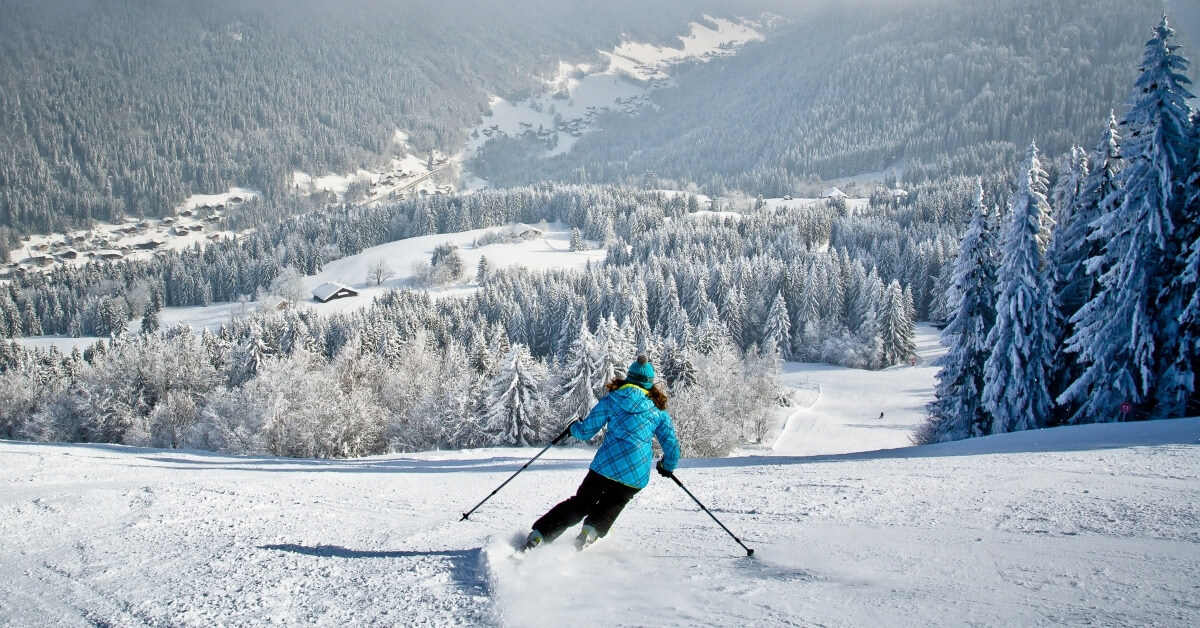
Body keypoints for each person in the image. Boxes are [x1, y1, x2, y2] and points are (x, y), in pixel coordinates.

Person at [522, 355, 681, 552]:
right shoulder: (658, 412)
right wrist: (667, 466)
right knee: (615, 502)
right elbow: (672, 446)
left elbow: (587, 430)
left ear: (629, 378)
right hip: (635, 474)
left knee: (581, 504)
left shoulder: (612, 400)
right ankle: (590, 532)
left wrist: (574, 428)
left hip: (605, 467)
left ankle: (540, 535)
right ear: (649, 384)